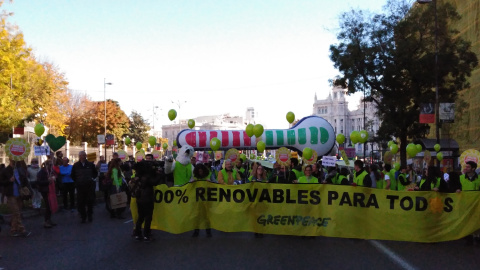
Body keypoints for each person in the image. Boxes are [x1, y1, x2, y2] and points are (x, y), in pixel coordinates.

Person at [0, 158, 31, 237]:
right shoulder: (5, 170)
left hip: (19, 193)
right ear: (10, 160)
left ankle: (13, 229)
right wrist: (9, 181)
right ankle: (22, 229)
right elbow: (1, 182)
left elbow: (24, 180)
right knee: (16, 212)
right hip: (11, 194)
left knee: (16, 213)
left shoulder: (19, 169)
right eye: (13, 160)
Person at [133, 160, 161, 242]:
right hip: (147, 198)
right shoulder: (147, 176)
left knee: (140, 217)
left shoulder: (138, 175)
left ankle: (138, 234)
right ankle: (146, 235)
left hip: (139, 198)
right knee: (148, 217)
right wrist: (159, 174)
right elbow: (154, 182)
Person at [456, 161, 480, 245]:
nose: (466, 168)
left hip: (476, 204)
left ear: (473, 169)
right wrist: (457, 190)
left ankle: (477, 237)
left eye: (468, 167)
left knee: (476, 220)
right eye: (466, 167)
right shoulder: (461, 178)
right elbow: (456, 187)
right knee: (467, 220)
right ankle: (468, 237)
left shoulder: (479, 178)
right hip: (465, 203)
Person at [71, 151, 98, 223]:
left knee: (89, 201)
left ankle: (90, 215)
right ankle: (83, 216)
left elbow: (95, 173)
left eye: (84, 155)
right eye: (82, 156)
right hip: (80, 187)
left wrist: (92, 179)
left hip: (89, 186)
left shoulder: (90, 164)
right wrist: (77, 181)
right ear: (79, 156)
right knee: (81, 202)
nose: (83, 157)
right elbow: (73, 175)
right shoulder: (76, 165)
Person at [191, 163, 212, 237]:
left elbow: (212, 183)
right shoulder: (195, 176)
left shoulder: (208, 174)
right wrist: (191, 182)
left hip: (206, 199)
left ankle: (208, 231)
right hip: (197, 199)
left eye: (201, 171)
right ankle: (196, 231)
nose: (200, 173)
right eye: (199, 171)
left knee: (206, 215)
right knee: (196, 215)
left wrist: (210, 181)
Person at [37, 159, 58, 228]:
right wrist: (47, 181)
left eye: (52, 165)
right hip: (45, 191)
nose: (51, 166)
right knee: (48, 206)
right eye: (50, 165)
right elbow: (39, 182)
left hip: (51, 190)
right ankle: (46, 221)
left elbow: (55, 175)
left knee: (51, 205)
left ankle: (49, 220)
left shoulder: (50, 171)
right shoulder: (42, 172)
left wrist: (54, 178)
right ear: (46, 165)